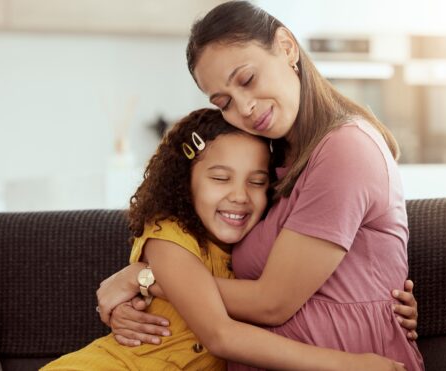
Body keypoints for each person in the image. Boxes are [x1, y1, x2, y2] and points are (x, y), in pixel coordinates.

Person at [100, 1, 424, 369]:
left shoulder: (344, 149)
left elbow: (272, 301)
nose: (245, 107)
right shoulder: (272, 164)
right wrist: (155, 283)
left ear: (286, 47)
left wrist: (147, 279)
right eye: (224, 102)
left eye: (247, 80)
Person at [42, 108, 406, 370]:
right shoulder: (168, 235)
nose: (239, 196)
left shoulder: (254, 253)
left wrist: (392, 305)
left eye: (257, 181)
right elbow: (221, 336)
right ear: (186, 183)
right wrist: (352, 365)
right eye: (220, 178)